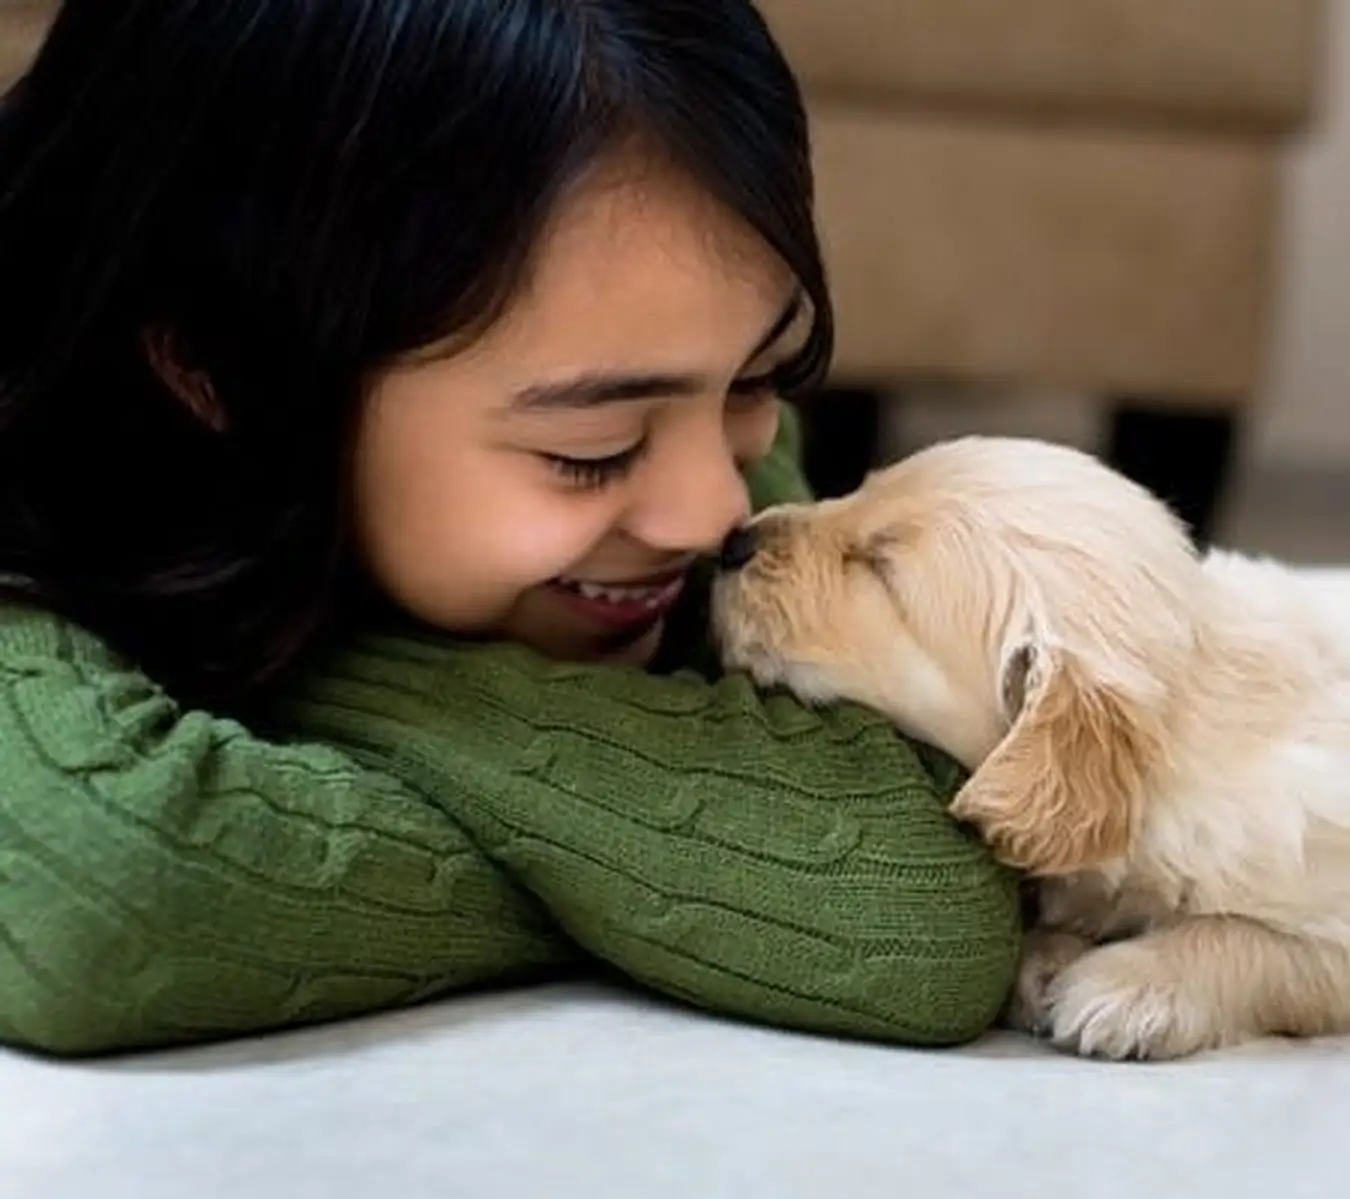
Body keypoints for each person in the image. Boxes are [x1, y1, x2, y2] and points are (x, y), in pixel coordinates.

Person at [0, 0, 1021, 1057]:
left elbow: (915, 904)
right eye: (594, 446)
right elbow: (108, 892)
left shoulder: (695, 433)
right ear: (222, 371)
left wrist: (310, 678)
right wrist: (649, 887)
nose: (720, 510)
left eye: (758, 378)